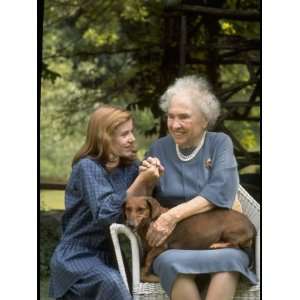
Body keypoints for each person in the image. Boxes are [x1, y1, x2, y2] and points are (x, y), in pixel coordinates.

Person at [140, 75, 258, 300]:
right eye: (171, 117)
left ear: (205, 120)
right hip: (175, 246)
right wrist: (145, 179)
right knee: (172, 263)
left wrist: (172, 216)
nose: (175, 124)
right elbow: (140, 202)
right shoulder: (158, 149)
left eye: (184, 117)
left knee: (229, 261)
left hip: (221, 242)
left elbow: (222, 189)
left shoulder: (219, 143)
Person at [49, 105, 159, 300]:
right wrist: (141, 180)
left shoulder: (130, 166)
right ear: (104, 137)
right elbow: (105, 214)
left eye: (131, 131)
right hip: (78, 254)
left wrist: (150, 180)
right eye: (124, 134)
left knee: (130, 289)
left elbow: (138, 207)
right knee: (112, 284)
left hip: (111, 254)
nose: (132, 138)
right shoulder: (88, 168)